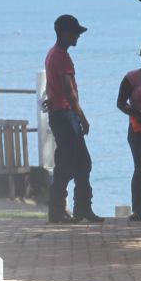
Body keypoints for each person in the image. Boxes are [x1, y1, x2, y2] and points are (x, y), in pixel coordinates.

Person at [45, 14, 103, 223]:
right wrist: (83, 118)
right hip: (66, 115)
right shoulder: (62, 57)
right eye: (75, 33)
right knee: (72, 163)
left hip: (60, 114)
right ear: (64, 33)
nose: (78, 36)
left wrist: (51, 100)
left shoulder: (53, 54)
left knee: (77, 163)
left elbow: (50, 87)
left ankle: (77, 209)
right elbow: (70, 93)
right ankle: (64, 210)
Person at [116, 42, 141, 221]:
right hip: (138, 129)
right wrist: (136, 114)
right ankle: (137, 210)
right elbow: (120, 103)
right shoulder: (131, 78)